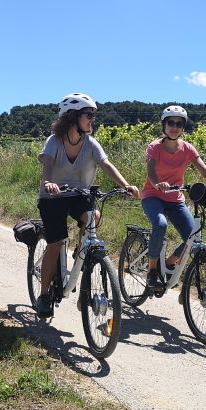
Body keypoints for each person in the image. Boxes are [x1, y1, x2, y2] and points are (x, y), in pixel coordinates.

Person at [35, 93, 140, 319]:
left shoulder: (91, 143)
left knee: (94, 216)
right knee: (55, 244)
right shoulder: (54, 141)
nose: (92, 120)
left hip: (78, 195)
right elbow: (47, 165)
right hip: (53, 197)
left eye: (92, 115)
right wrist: (49, 182)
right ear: (73, 117)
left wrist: (126, 185)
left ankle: (80, 256)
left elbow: (105, 164)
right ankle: (44, 295)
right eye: (88, 115)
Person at [141, 105, 206, 294]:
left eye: (179, 123)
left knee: (193, 237)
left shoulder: (187, 149)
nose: (174, 127)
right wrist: (158, 183)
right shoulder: (155, 147)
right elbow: (151, 170)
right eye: (170, 122)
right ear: (164, 125)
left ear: (183, 127)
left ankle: (169, 262)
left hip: (176, 199)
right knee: (160, 225)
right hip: (153, 196)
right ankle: (152, 269)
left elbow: (204, 169)